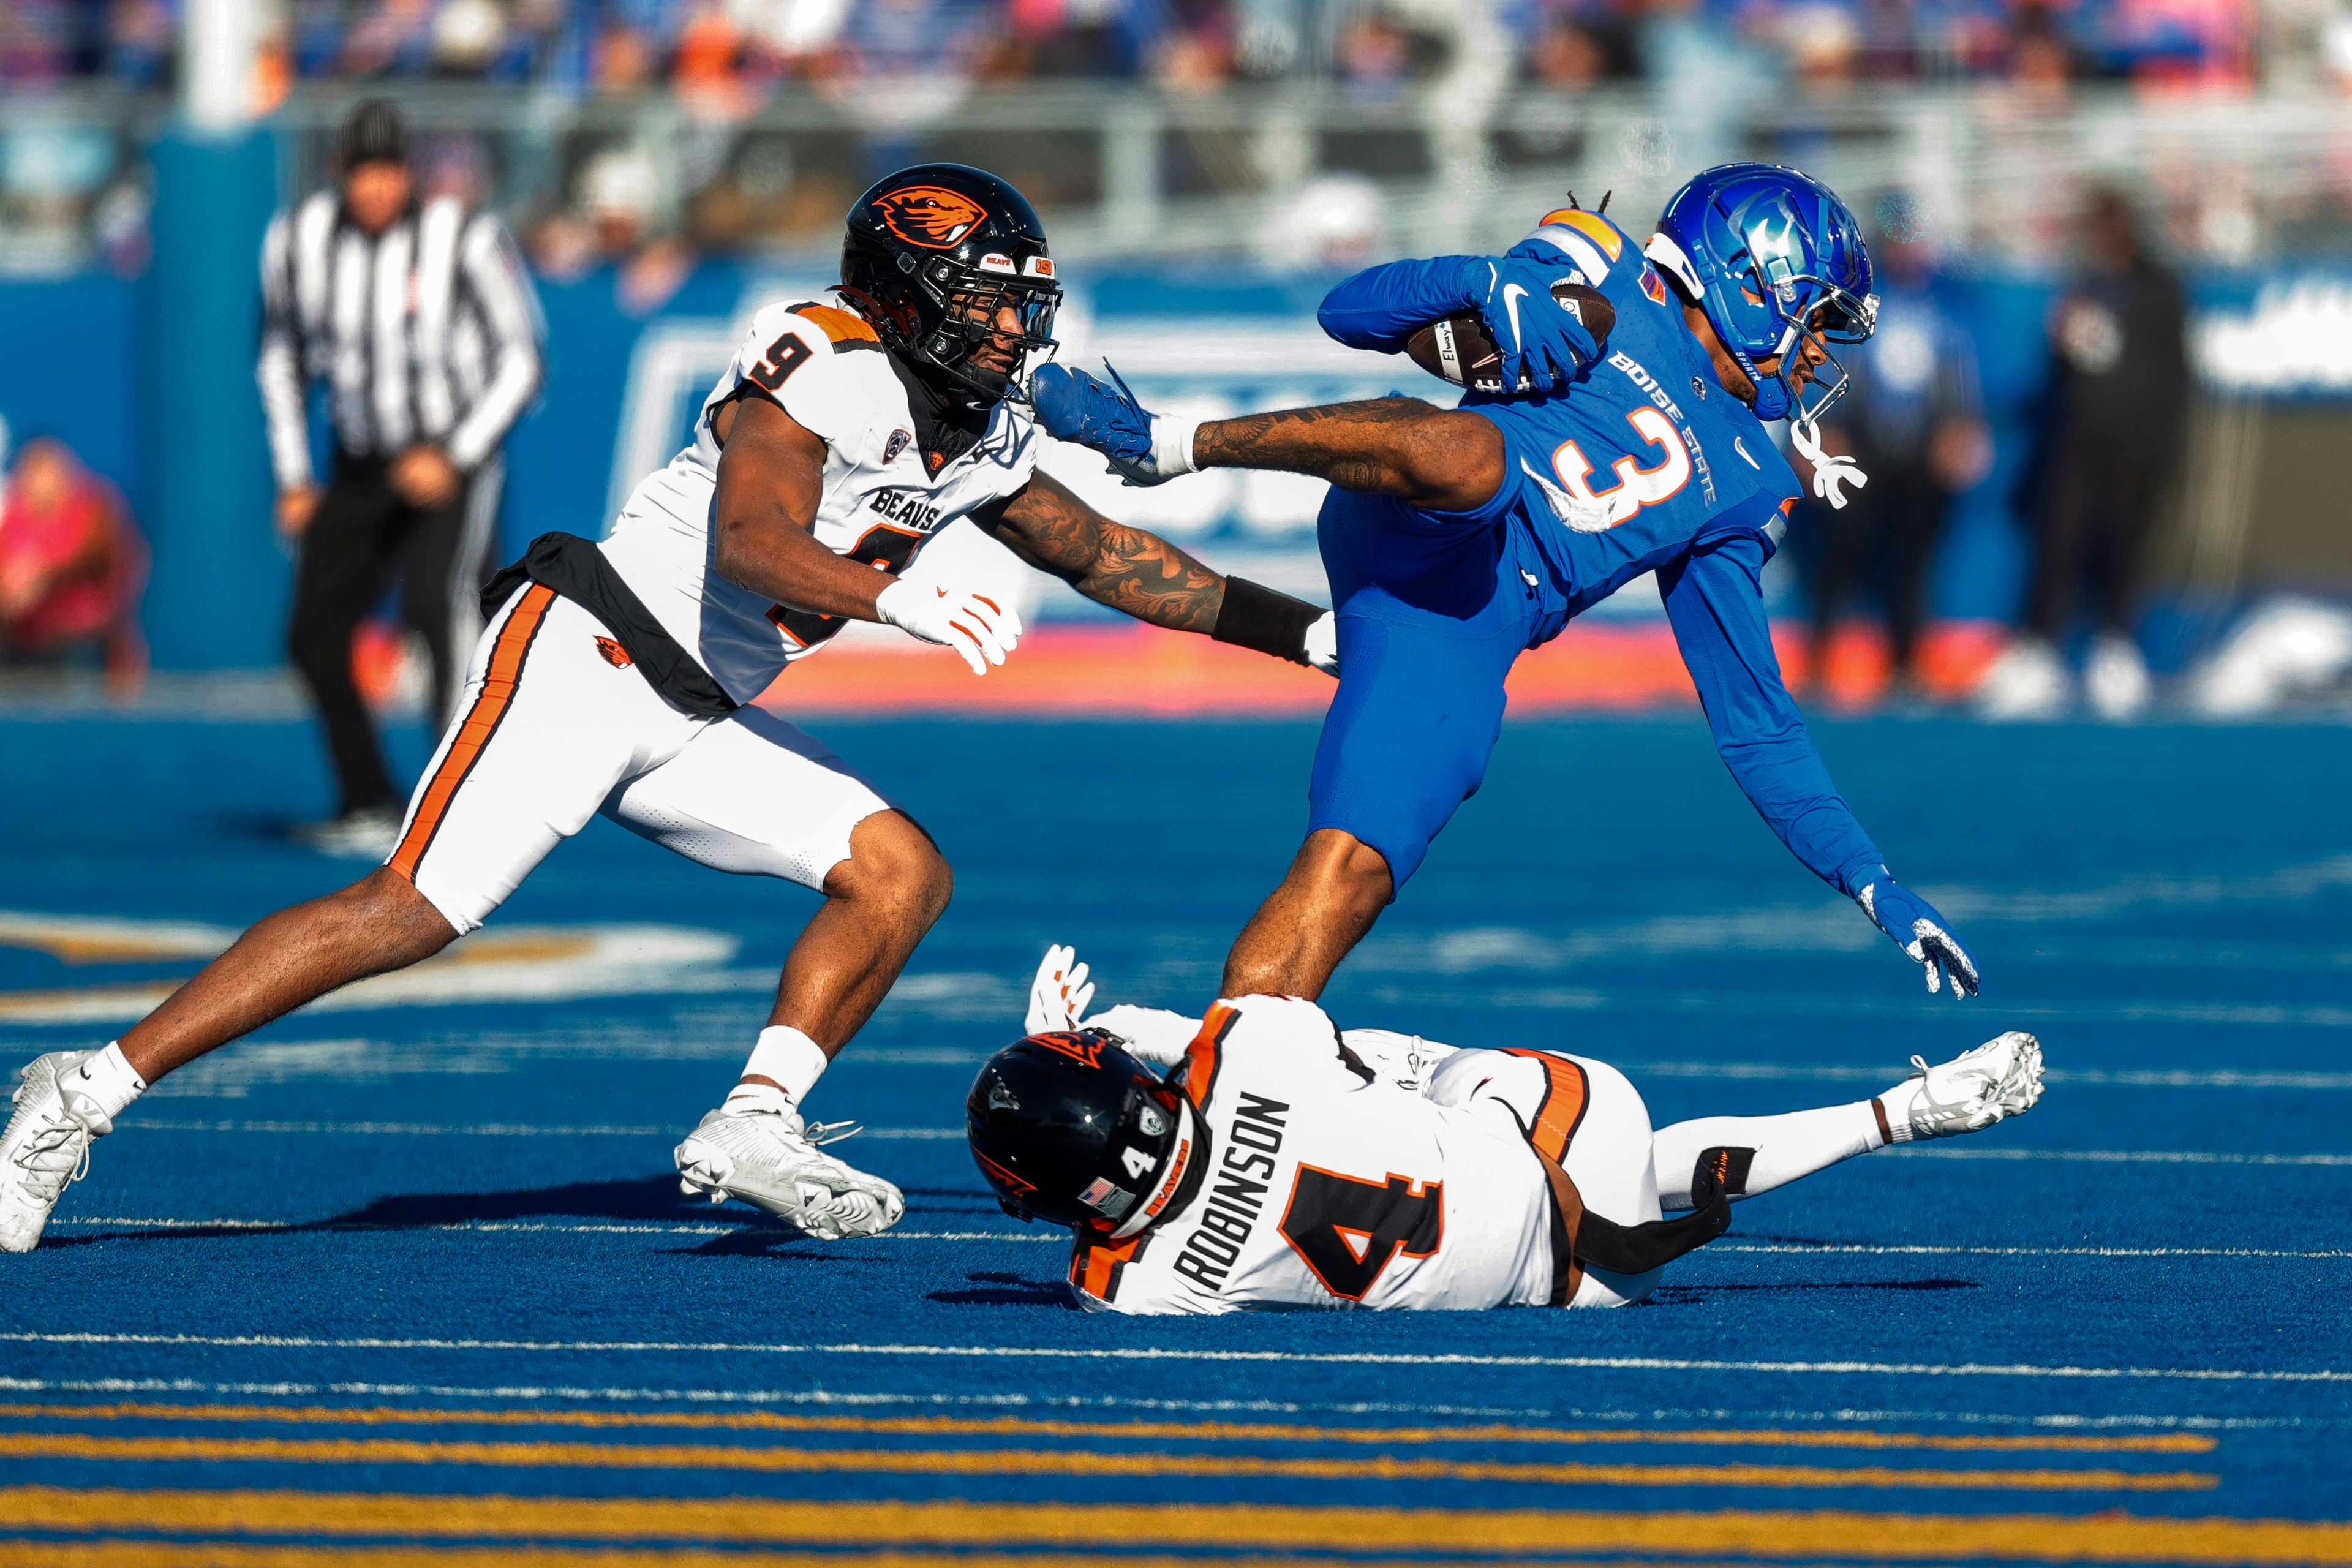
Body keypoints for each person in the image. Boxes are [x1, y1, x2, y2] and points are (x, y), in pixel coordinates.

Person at [0, 163, 1335, 1257]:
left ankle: (757, 1117)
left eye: (1015, 303)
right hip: (587, 651)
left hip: (697, 708)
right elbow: (754, 539)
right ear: (908, 293)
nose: (1009, 328)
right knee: (411, 907)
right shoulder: (825, 359)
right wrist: (893, 605)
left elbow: (1123, 565)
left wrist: (1316, 637)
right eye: (984, 300)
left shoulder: (983, 434)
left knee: (898, 872)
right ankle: (88, 1087)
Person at [1038, 164, 1979, 1007]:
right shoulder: (1602, 267)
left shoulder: (1747, 481)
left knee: (1349, 874)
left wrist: (1870, 877)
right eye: (1815, 319)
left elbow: (1756, 720)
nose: (1822, 353)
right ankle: (1166, 444)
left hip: (1464, 623)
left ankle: (1218, 1092)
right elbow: (1349, 311)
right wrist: (1480, 280)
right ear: (1749, 282)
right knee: (1471, 453)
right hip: (1415, 517)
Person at [973, 951, 2045, 1314]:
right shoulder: (1241, 1050)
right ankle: (1893, 1112)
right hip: (1571, 1121)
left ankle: (1895, 1116)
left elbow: (1109, 1205)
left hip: (1582, 1290)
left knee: (1393, 1103)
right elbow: (1225, 1044)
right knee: (1380, 1058)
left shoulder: (1135, 1291)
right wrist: (1112, 1029)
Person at [258, 97, 546, 856]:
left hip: (451, 457)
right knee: (313, 634)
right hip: (359, 463)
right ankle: (369, 798)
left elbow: (521, 359)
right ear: (338, 174)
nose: (377, 188)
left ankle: (465, 803)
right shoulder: (299, 242)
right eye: (363, 173)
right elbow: (280, 359)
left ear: (410, 174)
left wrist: (453, 451)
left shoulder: (465, 238)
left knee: (436, 606)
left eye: (389, 172)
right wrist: (293, 473)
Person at [1975, 186, 2190, 722]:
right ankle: (2039, 652)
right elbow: (2062, 372)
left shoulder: (2159, 289)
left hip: (2138, 447)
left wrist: (2166, 447)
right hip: (2078, 446)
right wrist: (2061, 338)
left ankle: (2115, 651)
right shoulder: (2082, 289)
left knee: (2125, 549)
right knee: (2058, 546)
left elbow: (2172, 375)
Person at [1800, 212, 1991, 701]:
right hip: (1863, 452)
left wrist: (1962, 432)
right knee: (1841, 557)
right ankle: (1819, 663)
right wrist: (1827, 434)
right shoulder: (1858, 308)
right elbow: (1836, 376)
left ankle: (1906, 667)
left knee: (1911, 564)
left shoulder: (1945, 313)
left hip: (1919, 459)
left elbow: (1960, 391)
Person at [0, 435, 148, 696]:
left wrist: (45, 577)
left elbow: (96, 558)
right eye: (32, 472)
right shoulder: (15, 515)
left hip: (80, 636)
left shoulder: (95, 508)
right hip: (22, 634)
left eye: (47, 471)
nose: (39, 481)